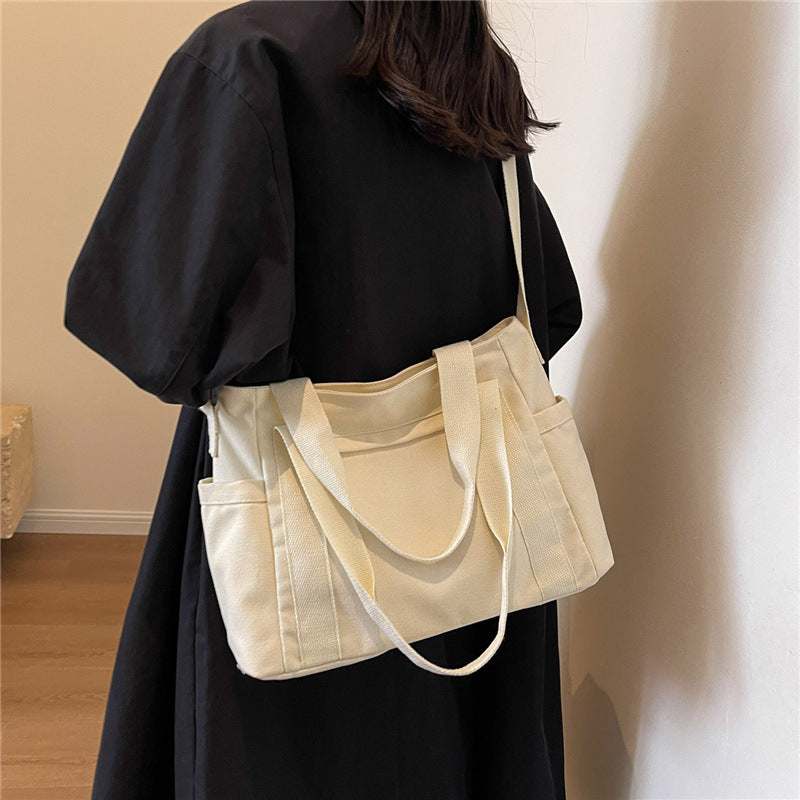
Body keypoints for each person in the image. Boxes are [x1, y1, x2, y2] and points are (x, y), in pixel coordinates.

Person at [64, 2, 583, 798]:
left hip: (298, 552)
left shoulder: (249, 59)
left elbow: (150, 330)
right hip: (478, 552)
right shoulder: (471, 69)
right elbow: (546, 310)